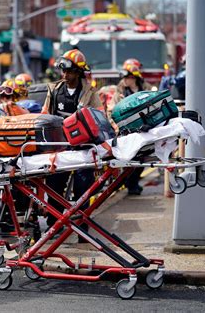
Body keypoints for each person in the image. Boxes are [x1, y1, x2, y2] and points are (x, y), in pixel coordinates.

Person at [41, 49, 102, 235]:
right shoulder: (54, 91)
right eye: (63, 71)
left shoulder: (90, 93)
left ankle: (82, 226)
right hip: (60, 148)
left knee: (83, 187)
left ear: (79, 71)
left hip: (83, 147)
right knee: (55, 185)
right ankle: (54, 224)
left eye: (69, 71)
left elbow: (100, 117)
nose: (65, 75)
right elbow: (45, 115)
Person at [109, 59, 153, 195]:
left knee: (143, 159)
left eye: (127, 77)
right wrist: (116, 126)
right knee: (130, 158)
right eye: (124, 77)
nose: (125, 80)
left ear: (134, 77)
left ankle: (132, 182)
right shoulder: (120, 92)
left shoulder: (146, 90)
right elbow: (111, 110)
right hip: (125, 131)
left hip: (145, 129)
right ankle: (131, 184)